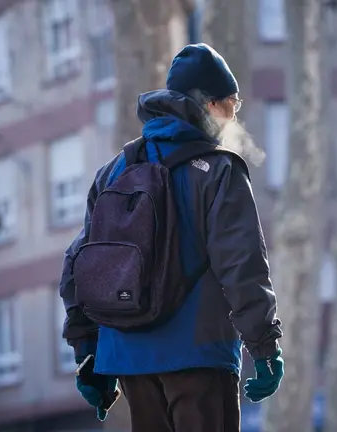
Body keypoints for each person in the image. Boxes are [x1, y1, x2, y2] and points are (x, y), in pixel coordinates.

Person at [58, 43, 284, 432]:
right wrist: (265, 347)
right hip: (199, 355)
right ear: (209, 104)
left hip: (128, 358)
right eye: (232, 104)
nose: (234, 114)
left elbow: (78, 265)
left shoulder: (113, 171)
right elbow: (242, 265)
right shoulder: (218, 170)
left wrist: (88, 353)